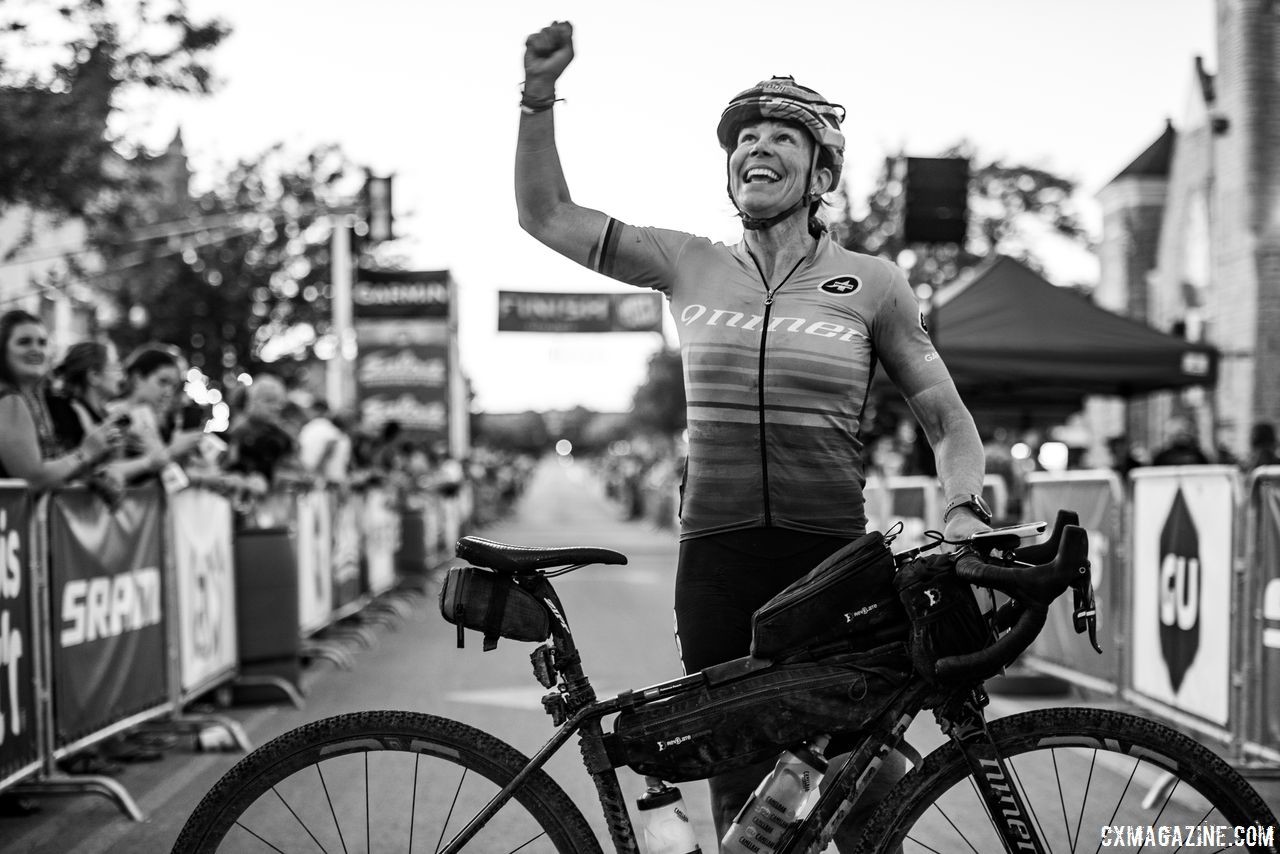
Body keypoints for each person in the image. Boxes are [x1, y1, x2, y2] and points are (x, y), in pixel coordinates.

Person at [515, 21, 990, 849]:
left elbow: (948, 421)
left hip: (831, 562)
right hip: (719, 561)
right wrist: (537, 94)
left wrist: (966, 506)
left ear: (821, 172)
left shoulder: (872, 284)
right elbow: (545, 214)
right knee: (742, 795)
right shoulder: (686, 261)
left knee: (863, 780)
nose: (755, 150)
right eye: (744, 139)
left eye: (781, 137)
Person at [0, 311, 123, 491]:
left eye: (42, 343)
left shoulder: (34, 398)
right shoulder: (8, 400)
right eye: (24, 342)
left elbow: (50, 468)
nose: (36, 349)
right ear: (3, 350)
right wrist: (85, 452)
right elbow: (32, 479)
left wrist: (90, 477)